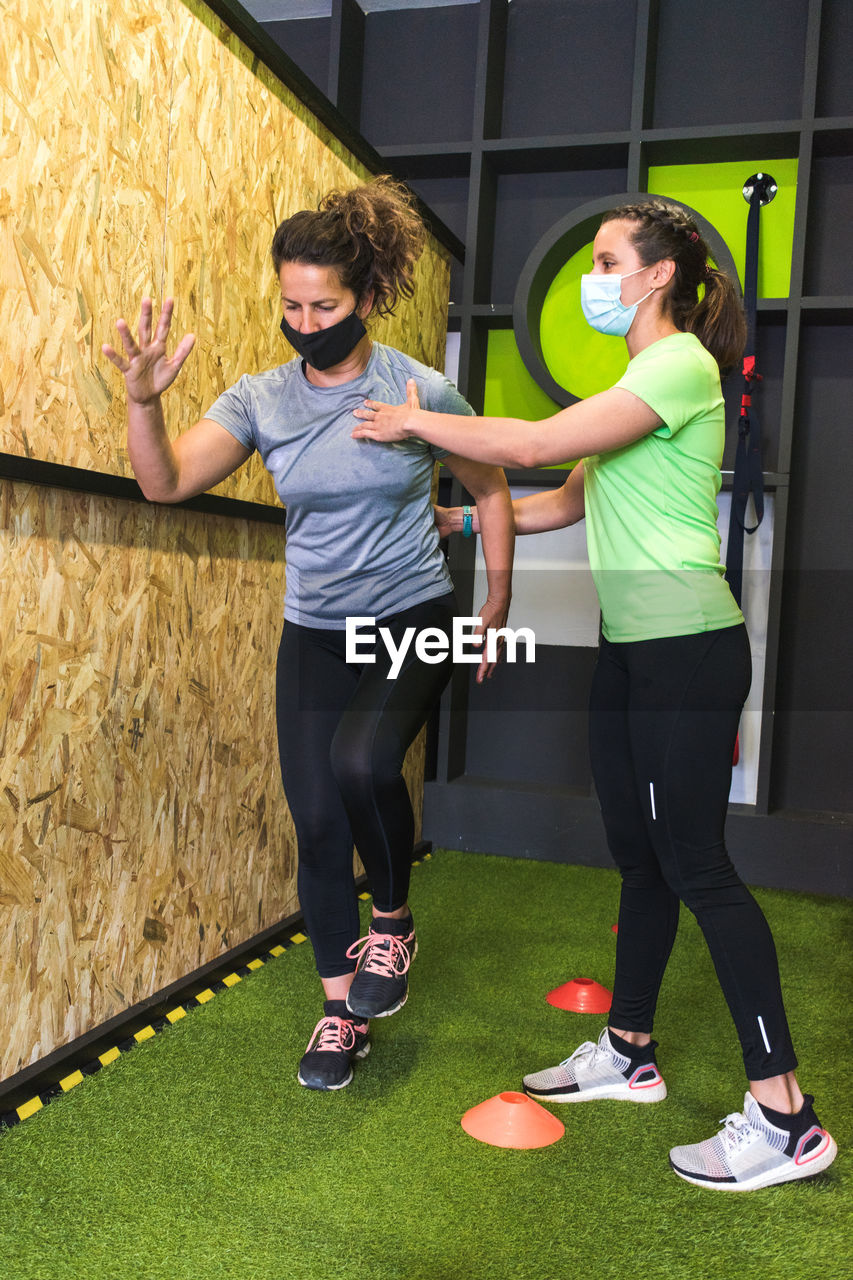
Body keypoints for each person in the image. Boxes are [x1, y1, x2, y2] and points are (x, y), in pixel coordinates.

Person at [351, 198, 837, 1190]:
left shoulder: (680, 367)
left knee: (698, 865)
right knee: (639, 858)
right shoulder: (634, 379)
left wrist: (413, 418)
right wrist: (456, 518)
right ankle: (628, 1048)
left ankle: (786, 1115)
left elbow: (528, 443)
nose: (597, 275)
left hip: (685, 653)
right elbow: (562, 497)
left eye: (610, 259)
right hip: (630, 651)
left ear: (658, 275)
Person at [103, 176, 514, 1092]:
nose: (303, 319)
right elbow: (165, 484)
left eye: (322, 304)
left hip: (412, 614)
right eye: (289, 304)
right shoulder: (263, 398)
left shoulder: (418, 386)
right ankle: (340, 1016)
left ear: (364, 298)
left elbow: (489, 490)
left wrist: (494, 602)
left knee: (365, 763)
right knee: (319, 824)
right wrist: (143, 402)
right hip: (316, 632)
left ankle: (394, 923)